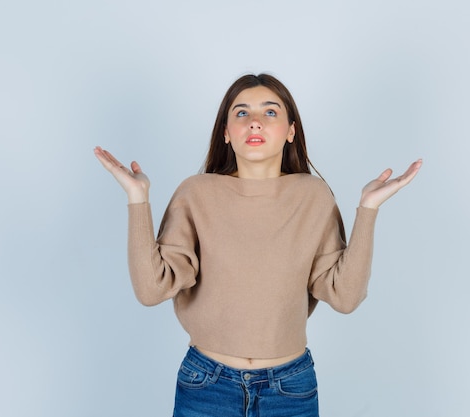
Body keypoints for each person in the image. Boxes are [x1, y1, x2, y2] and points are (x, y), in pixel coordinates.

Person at [94, 73, 422, 417]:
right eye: (241, 113)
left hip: (290, 388)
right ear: (225, 131)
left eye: (269, 112)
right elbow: (150, 290)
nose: (254, 123)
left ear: (290, 130)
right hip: (207, 385)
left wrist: (367, 209)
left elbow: (346, 297)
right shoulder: (196, 194)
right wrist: (137, 198)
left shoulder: (313, 196)